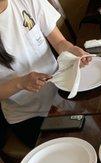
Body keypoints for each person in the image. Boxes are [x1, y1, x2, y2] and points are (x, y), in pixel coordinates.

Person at [0, 0, 91, 148]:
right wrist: (21, 83)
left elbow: (60, 42)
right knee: (72, 148)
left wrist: (72, 50)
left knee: (94, 132)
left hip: (60, 91)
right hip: (29, 115)